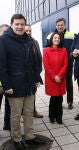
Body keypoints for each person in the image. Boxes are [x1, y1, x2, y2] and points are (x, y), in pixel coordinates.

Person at [0, 14, 45, 150]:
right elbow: (1, 65)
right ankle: (17, 138)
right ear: (12, 24)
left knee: (29, 111)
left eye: (22, 24)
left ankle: (30, 136)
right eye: (16, 24)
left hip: (29, 83)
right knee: (15, 113)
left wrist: (37, 77)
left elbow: (34, 61)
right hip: (14, 85)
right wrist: (6, 85)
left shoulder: (28, 39)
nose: (19, 27)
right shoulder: (3, 40)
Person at [47, 18, 75, 109]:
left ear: (65, 25)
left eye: (62, 25)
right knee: (58, 82)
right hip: (55, 65)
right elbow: (48, 47)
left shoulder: (71, 35)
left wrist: (71, 55)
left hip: (68, 63)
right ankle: (60, 101)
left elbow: (75, 46)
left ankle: (70, 101)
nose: (60, 27)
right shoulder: (51, 35)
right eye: (58, 25)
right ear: (56, 26)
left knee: (68, 83)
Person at [43, 32, 68, 124]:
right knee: (53, 98)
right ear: (51, 39)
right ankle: (51, 116)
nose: (57, 39)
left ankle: (59, 117)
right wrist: (54, 76)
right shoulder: (46, 50)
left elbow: (65, 64)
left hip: (61, 79)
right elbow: (46, 65)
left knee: (59, 98)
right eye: (55, 38)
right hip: (51, 79)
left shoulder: (64, 50)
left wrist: (59, 75)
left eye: (58, 38)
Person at [25, 24, 43, 118]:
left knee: (33, 93)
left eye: (30, 31)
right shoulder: (20, 42)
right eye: (26, 31)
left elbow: (39, 56)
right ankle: (21, 115)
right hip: (24, 74)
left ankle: (33, 110)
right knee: (23, 95)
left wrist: (39, 70)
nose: (28, 32)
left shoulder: (35, 41)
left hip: (34, 73)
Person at [0, 24, 11, 131]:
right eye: (4, 32)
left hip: (8, 84)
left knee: (9, 106)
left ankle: (7, 124)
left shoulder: (10, 47)